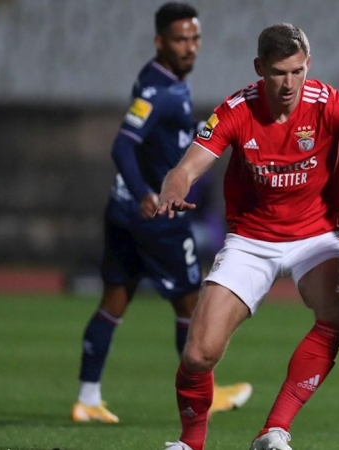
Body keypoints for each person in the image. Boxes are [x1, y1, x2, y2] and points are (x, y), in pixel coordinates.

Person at [156, 23, 339, 450]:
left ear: (307, 65)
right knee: (199, 353)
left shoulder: (328, 102)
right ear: (260, 68)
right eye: (279, 72)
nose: (290, 82)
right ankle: (190, 444)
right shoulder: (237, 109)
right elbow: (186, 169)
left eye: (298, 71)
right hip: (250, 239)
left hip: (317, 235)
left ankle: (274, 430)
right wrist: (173, 188)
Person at [71, 2, 252, 424]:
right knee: (193, 305)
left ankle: (88, 398)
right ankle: (207, 395)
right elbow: (122, 145)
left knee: (112, 302)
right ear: (159, 42)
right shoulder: (162, 91)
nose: (190, 47)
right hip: (156, 217)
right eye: (180, 39)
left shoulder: (156, 80)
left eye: (194, 38)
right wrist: (144, 194)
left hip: (121, 212)